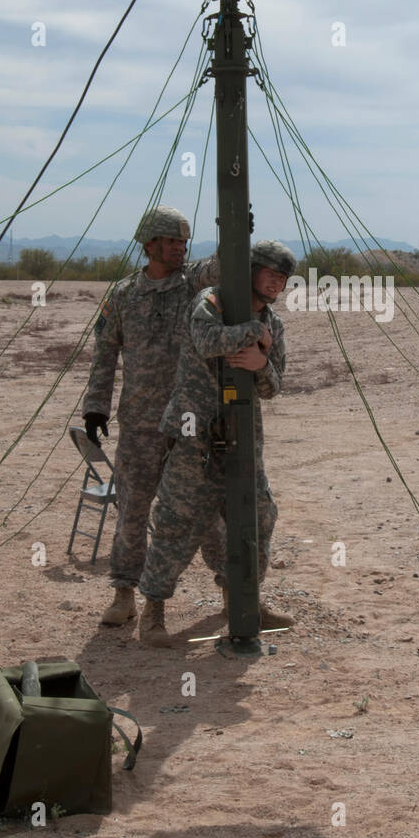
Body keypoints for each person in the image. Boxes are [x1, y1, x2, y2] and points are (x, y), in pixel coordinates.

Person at [137, 239, 295, 646]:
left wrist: (261, 364)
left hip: (242, 434)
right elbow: (208, 341)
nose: (277, 283)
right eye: (270, 273)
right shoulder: (212, 301)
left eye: (283, 278)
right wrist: (252, 334)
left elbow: (274, 385)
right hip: (195, 432)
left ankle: (244, 602)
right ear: (249, 270)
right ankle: (152, 613)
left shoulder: (274, 323)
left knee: (258, 515)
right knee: (177, 521)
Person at [81, 205, 219, 626]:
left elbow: (222, 266)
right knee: (132, 512)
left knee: (204, 511)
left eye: (184, 241)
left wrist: (235, 231)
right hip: (140, 425)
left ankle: (233, 591)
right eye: (172, 241)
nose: (181, 247)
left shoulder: (192, 284)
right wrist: (95, 406)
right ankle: (124, 594)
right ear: (149, 245)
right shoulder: (123, 295)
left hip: (188, 425)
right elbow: (104, 352)